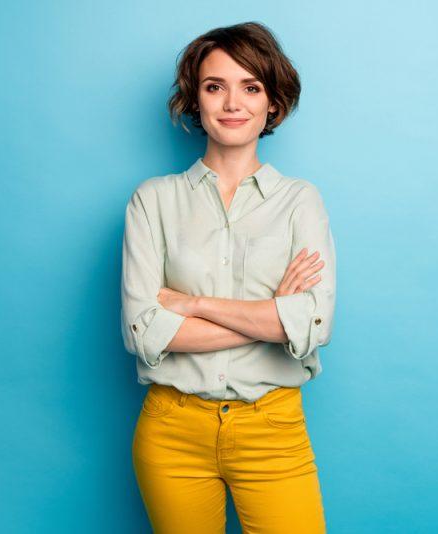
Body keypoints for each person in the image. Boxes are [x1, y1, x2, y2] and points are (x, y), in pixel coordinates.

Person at [120, 21, 335, 534]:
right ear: (196, 101)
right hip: (171, 432)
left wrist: (192, 305)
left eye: (251, 87)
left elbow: (313, 325)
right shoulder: (153, 200)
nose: (232, 103)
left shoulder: (300, 201)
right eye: (215, 87)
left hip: (273, 430)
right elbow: (143, 331)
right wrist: (271, 318)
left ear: (272, 104)